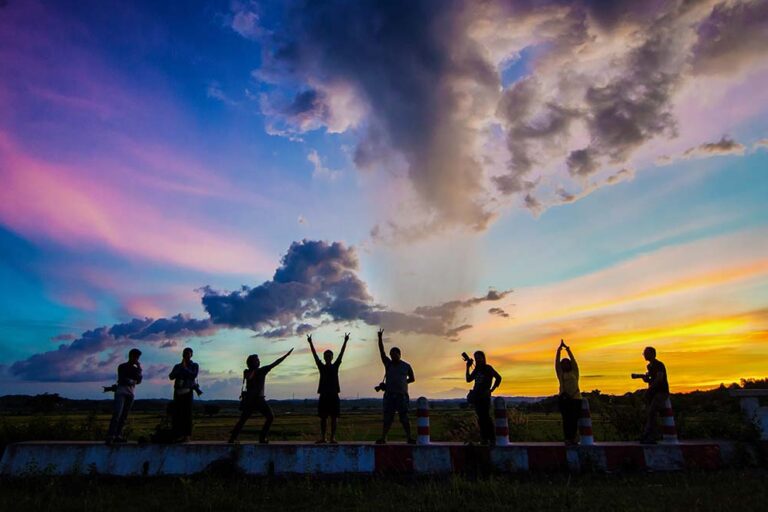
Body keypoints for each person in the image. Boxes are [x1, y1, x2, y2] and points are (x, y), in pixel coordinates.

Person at [228, 348, 294, 444]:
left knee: (246, 419)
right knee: (266, 417)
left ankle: (235, 439)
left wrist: (286, 356)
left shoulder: (259, 370)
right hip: (256, 400)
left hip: (254, 400)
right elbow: (250, 377)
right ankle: (259, 438)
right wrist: (255, 369)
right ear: (253, 362)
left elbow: (275, 363)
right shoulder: (249, 371)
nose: (259, 361)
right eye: (257, 360)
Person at [375, 328, 415, 444]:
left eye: (394, 355)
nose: (392, 357)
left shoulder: (406, 366)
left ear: (399, 354)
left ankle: (409, 437)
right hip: (389, 395)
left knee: (404, 418)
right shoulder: (388, 364)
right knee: (387, 418)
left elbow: (412, 379)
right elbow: (381, 352)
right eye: (391, 355)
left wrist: (403, 383)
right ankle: (383, 438)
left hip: (402, 396)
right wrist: (380, 338)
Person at [308, 332, 349, 444]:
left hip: (334, 394)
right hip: (324, 395)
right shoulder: (321, 367)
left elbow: (341, 354)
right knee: (323, 418)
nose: (327, 357)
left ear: (332, 357)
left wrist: (345, 341)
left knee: (334, 418)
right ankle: (323, 438)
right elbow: (314, 355)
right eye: (326, 356)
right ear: (324, 357)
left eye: (329, 356)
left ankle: (332, 438)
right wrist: (310, 342)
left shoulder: (335, 366)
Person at [105, 348, 142, 445]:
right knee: (117, 414)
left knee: (124, 416)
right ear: (131, 356)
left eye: (138, 358)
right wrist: (132, 381)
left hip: (130, 393)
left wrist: (139, 368)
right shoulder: (122, 366)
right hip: (121, 392)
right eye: (136, 357)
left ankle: (118, 435)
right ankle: (110, 436)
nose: (137, 359)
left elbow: (139, 380)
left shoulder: (135, 369)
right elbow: (122, 379)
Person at [465, 350, 502, 444]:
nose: (477, 359)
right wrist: (467, 367)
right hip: (477, 396)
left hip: (484, 396)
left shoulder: (488, 368)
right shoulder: (476, 369)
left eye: (479, 357)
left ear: (483, 358)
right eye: (476, 358)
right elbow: (468, 379)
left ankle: (492, 439)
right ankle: (484, 439)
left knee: (486, 417)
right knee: (481, 418)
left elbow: (498, 377)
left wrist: (491, 390)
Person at [635, 346, 670, 444]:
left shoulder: (659, 365)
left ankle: (651, 436)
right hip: (654, 394)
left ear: (653, 354)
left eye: (646, 353)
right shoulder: (650, 366)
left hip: (661, 393)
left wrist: (649, 389)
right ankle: (650, 435)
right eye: (644, 353)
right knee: (651, 414)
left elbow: (659, 379)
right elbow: (652, 379)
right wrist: (646, 379)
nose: (644, 355)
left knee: (652, 413)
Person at [169, 347, 199, 442]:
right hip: (178, 392)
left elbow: (193, 375)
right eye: (185, 353)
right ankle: (177, 434)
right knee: (177, 414)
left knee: (187, 414)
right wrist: (179, 370)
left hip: (187, 391)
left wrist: (185, 368)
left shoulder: (194, 365)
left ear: (191, 355)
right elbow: (171, 376)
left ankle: (187, 435)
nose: (186, 355)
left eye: (188, 353)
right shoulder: (177, 366)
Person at [555, 340, 582, 445]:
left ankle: (573, 438)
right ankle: (568, 438)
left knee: (574, 420)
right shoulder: (560, 374)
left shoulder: (575, 372)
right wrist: (558, 350)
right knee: (566, 420)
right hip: (564, 399)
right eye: (563, 364)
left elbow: (574, 361)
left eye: (567, 363)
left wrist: (568, 349)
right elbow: (556, 363)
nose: (565, 365)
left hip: (576, 399)